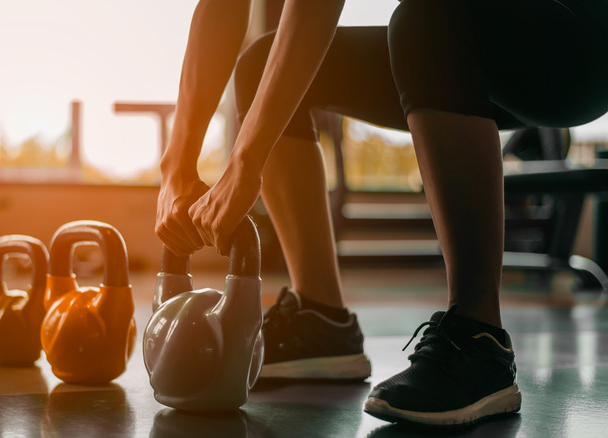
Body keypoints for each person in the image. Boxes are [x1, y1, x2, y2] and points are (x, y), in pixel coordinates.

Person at [155, 0, 608, 427]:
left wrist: (244, 164)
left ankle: (479, 338)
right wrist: (176, 168)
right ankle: (322, 322)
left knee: (427, 17)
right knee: (261, 63)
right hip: (455, 40)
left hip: (578, 38)